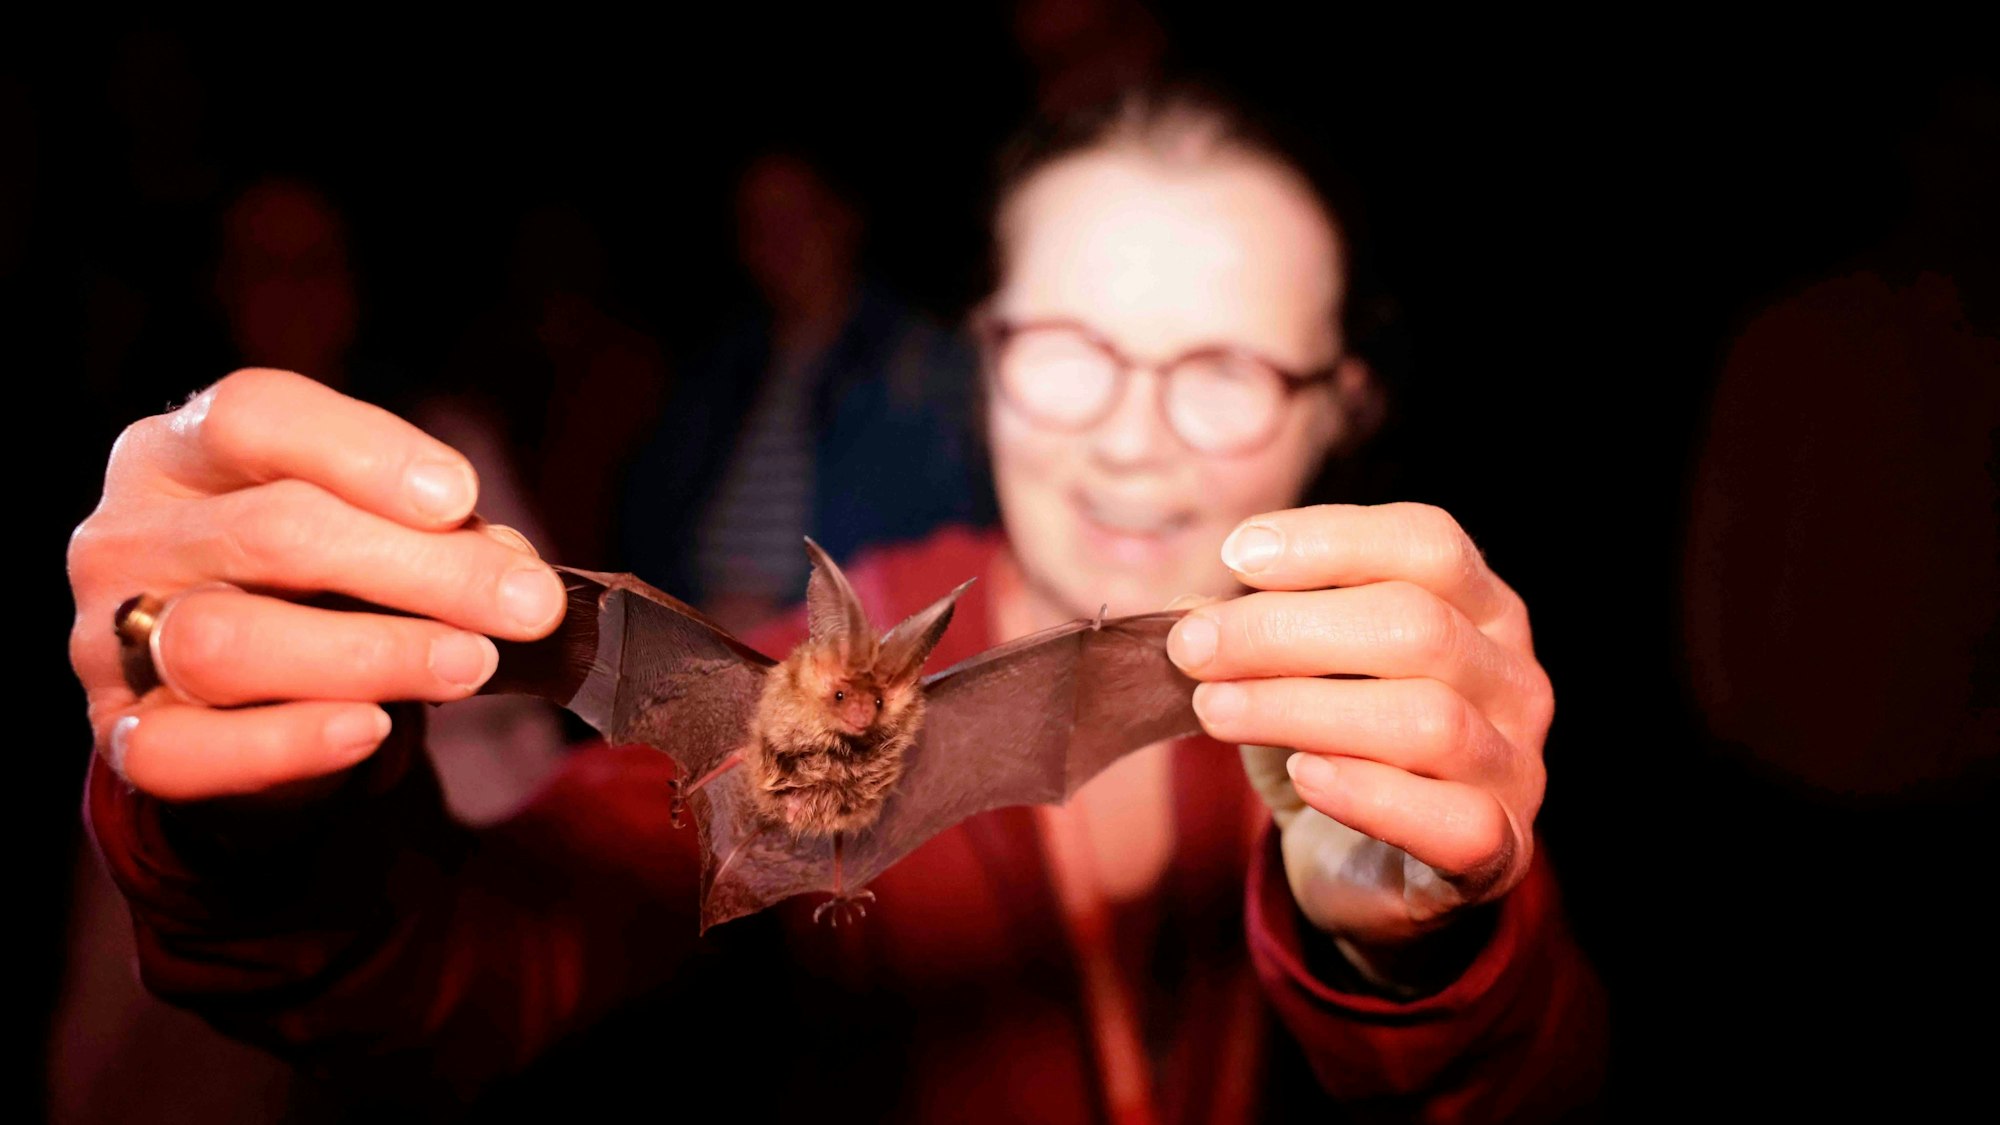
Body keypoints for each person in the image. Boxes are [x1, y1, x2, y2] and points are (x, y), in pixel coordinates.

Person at [67, 85, 1605, 1121]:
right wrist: (257, 821)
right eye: (1069, 342)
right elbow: (456, 970)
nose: (1131, 434)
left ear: (1343, 403)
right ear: (983, 352)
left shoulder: (1339, 717)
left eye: (1222, 369)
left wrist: (1426, 950)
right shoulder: (806, 667)